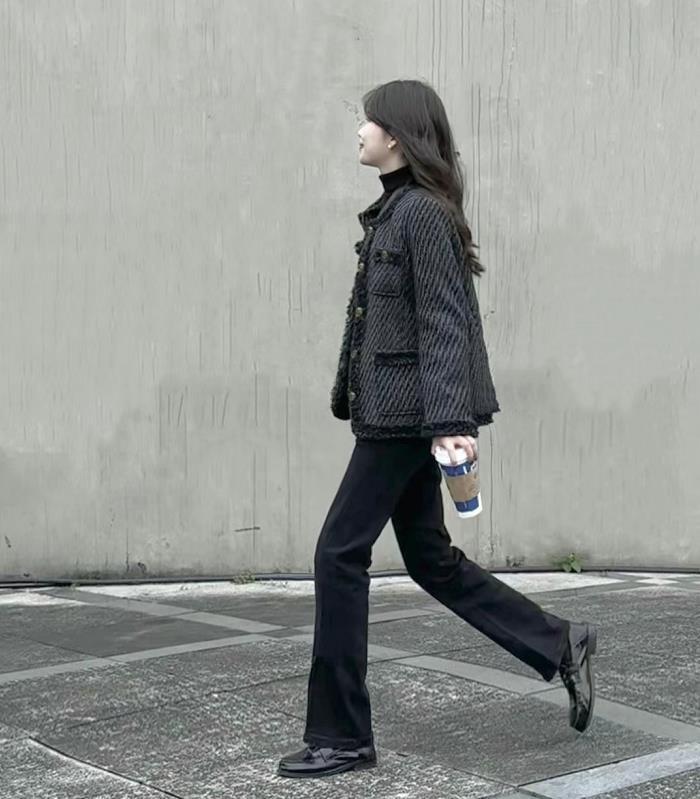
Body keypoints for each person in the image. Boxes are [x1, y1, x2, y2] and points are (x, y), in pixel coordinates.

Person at [277, 79, 597, 779]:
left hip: (406, 418)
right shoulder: (397, 210)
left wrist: (451, 421)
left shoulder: (420, 213)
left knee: (338, 554)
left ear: (397, 135)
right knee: (429, 558)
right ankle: (560, 642)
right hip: (397, 412)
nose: (359, 130)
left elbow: (445, 320)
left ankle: (342, 735)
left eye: (368, 120)